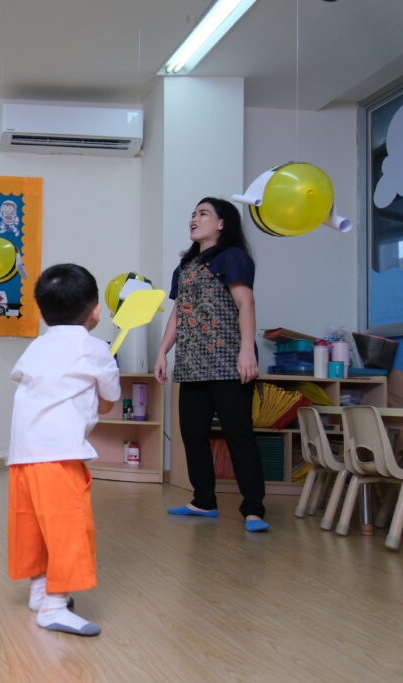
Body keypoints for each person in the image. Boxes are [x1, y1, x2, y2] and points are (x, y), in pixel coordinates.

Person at [8, 263, 120, 637]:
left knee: (32, 523)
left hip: (23, 453)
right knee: (67, 526)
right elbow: (109, 402)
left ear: (43, 313)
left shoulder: (37, 346)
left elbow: (24, 379)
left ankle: (39, 590)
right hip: (59, 454)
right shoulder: (96, 350)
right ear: (95, 310)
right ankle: (54, 607)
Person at [154, 197, 268, 533]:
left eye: (203, 214)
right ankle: (203, 500)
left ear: (221, 223)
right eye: (193, 214)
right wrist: (162, 352)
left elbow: (246, 302)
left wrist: (247, 351)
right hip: (192, 364)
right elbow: (178, 313)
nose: (194, 219)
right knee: (192, 434)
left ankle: (254, 509)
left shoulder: (232, 257)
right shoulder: (185, 267)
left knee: (238, 435)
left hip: (229, 361)